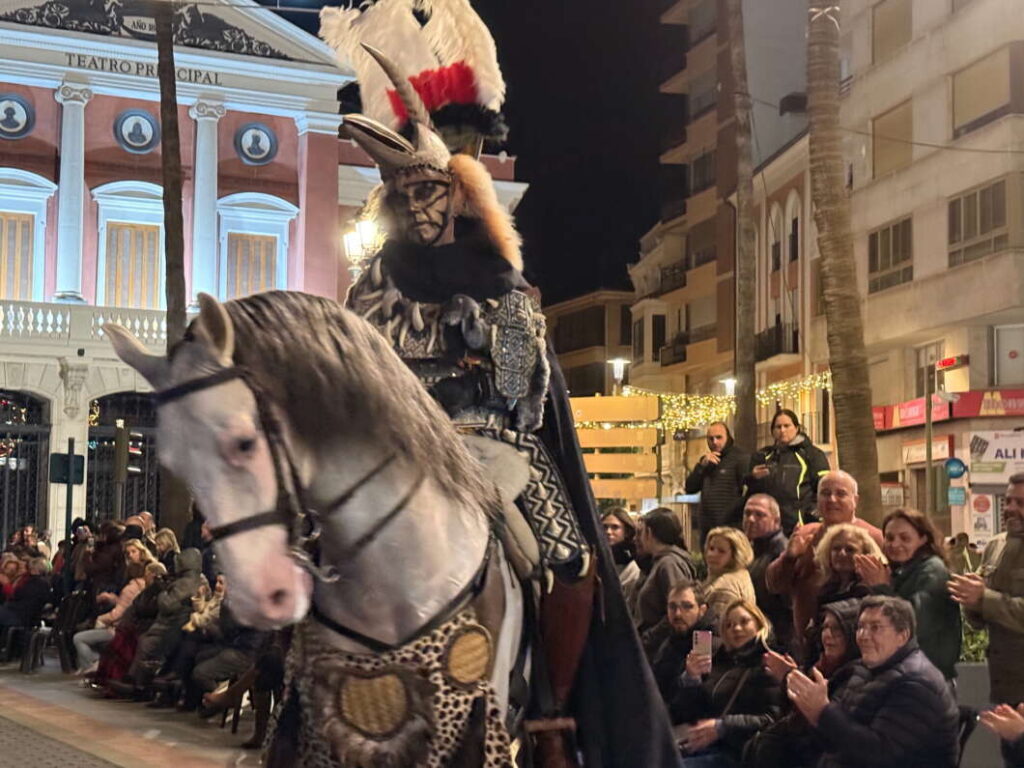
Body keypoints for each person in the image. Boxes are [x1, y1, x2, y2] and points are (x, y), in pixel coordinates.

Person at [786, 595, 959, 768]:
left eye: (875, 628)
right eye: (860, 627)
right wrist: (814, 713)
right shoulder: (863, 669)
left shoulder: (917, 683)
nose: (863, 636)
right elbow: (836, 739)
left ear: (902, 636)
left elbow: (880, 755)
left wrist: (823, 711)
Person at [949, 472, 1024, 765]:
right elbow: (981, 618)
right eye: (1008, 501)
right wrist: (970, 598)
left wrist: (984, 598)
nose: (1010, 509)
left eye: (1021, 503)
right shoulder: (995, 545)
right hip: (1006, 686)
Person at [766, 470, 883, 656]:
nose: (832, 500)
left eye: (841, 493)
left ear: (855, 500)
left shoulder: (874, 537)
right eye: (826, 493)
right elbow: (774, 585)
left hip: (858, 648)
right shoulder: (805, 535)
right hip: (808, 644)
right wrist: (789, 557)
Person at [749, 598, 862, 768]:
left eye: (837, 629)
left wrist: (791, 678)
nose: (828, 635)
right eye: (825, 627)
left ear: (853, 634)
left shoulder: (854, 677)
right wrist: (790, 681)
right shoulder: (818, 666)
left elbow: (822, 738)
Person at [671, 599, 783, 766]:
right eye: (729, 625)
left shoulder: (770, 663)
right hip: (706, 743)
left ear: (759, 624)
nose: (736, 629)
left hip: (739, 752)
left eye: (744, 622)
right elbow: (691, 712)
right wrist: (691, 679)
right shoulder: (722, 660)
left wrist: (723, 727)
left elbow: (773, 719)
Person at [855, 508, 961, 680]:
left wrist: (881, 587)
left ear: (923, 539)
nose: (895, 544)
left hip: (928, 675)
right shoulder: (899, 570)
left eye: (905, 538)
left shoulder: (932, 570)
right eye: (889, 538)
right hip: (905, 670)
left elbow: (914, 621)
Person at [747, 409, 831, 535]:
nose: (782, 430)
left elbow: (824, 488)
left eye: (787, 426)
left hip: (800, 528)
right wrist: (752, 477)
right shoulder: (764, 456)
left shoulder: (812, 454)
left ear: (796, 428)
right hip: (769, 528)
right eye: (778, 427)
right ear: (772, 431)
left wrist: (810, 516)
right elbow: (752, 492)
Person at [632, 507, 698, 656]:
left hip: (660, 649)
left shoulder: (668, 564)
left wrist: (648, 638)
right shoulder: (657, 563)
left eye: (640, 533)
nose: (637, 539)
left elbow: (678, 609)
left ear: (648, 533)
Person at [650, 581, 720, 705]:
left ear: (702, 610)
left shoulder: (711, 643)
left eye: (687, 606)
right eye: (672, 607)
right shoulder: (669, 638)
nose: (678, 613)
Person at [73, 560, 146, 673]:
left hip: (118, 629)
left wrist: (101, 618)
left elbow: (118, 613)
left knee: (79, 638)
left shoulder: (129, 589)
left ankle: (93, 665)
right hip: (132, 629)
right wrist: (115, 599)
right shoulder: (143, 587)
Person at [685, 422, 749, 546]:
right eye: (710, 439)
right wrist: (701, 466)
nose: (714, 442)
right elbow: (690, 487)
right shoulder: (706, 461)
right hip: (707, 530)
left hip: (730, 528)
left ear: (728, 437)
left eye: (719, 437)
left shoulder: (740, 458)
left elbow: (746, 492)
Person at [742, 494, 793, 651]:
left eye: (759, 514)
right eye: (747, 513)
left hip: (772, 643)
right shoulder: (750, 551)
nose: (751, 519)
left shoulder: (782, 554)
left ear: (776, 521)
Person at [812, 524, 882, 615]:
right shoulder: (826, 589)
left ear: (865, 554)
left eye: (850, 549)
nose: (842, 553)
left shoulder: (866, 592)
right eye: (836, 548)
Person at [702, 526, 756, 623]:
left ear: (735, 555)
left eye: (721, 551)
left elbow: (718, 629)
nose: (713, 554)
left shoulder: (724, 588)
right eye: (711, 548)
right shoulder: (740, 574)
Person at [0, 557, 51, 628]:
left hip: (19, 616)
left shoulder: (33, 582)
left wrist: (7, 585)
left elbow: (17, 595)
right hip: (27, 616)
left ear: (34, 569)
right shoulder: (45, 584)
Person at [601, 507, 640, 593]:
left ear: (627, 532)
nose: (608, 532)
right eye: (605, 527)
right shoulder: (595, 558)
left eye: (615, 527)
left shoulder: (633, 565)